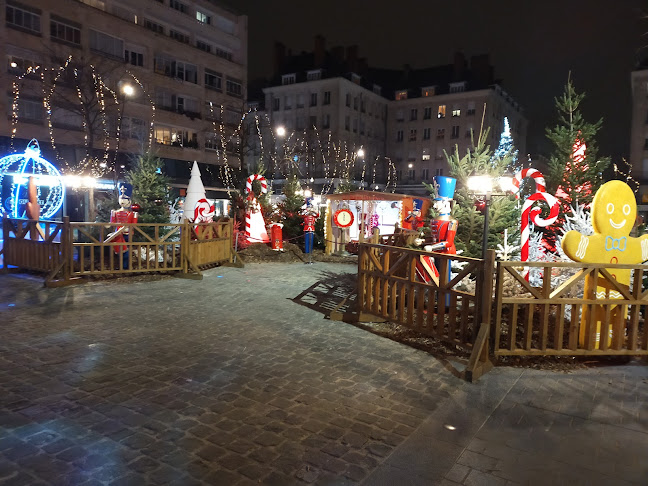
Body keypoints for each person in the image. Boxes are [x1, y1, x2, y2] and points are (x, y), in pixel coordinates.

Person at [109, 183, 138, 269]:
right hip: (118, 233)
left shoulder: (132, 213)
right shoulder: (115, 212)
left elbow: (134, 225)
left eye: (125, 199)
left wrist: (135, 217)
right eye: (121, 198)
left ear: (129, 200)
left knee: (126, 250)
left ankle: (125, 266)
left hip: (128, 234)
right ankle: (122, 266)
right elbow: (112, 223)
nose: (122, 201)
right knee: (119, 250)